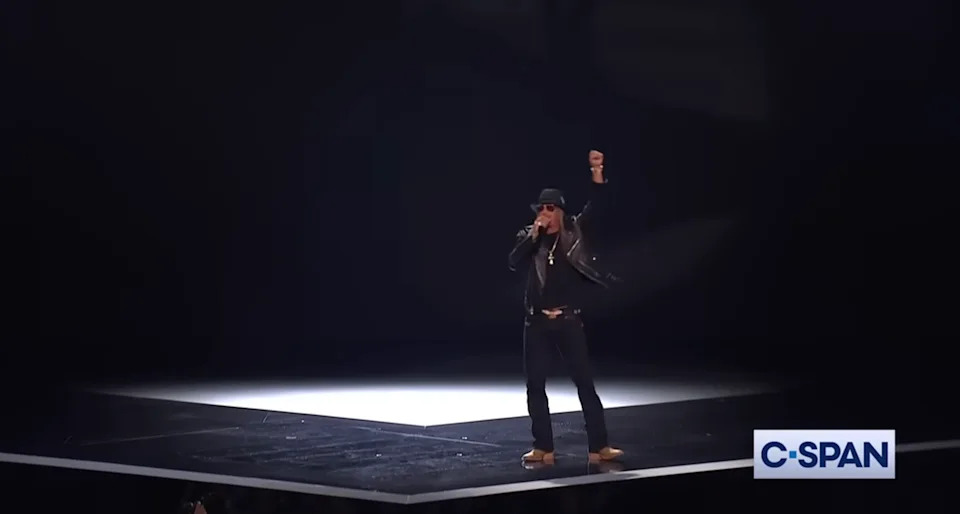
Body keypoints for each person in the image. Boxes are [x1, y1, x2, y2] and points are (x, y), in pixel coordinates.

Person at [508, 149, 624, 464]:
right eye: (541, 208)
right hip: (537, 323)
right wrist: (533, 236)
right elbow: (513, 262)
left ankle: (599, 447)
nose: (544, 213)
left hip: (568, 319)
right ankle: (543, 447)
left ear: (560, 211)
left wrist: (597, 171)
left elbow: (598, 206)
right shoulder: (530, 237)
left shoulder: (575, 231)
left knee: (584, 382)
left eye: (550, 208)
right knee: (535, 385)